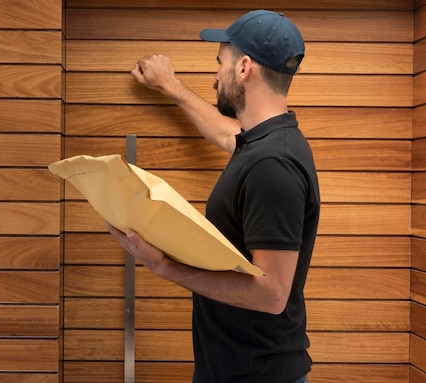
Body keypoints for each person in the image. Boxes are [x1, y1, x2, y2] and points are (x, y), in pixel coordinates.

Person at [106, 10, 320, 383]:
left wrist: (163, 267)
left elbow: (271, 294)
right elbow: (226, 135)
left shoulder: (273, 163)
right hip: (237, 369)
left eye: (220, 63)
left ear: (244, 69)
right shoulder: (264, 143)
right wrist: (171, 88)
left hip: (256, 375)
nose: (215, 75)